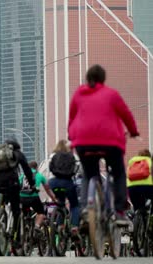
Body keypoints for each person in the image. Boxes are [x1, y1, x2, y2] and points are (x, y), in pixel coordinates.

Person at [68, 64, 140, 225]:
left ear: (88, 78)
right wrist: (134, 131)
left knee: (89, 174)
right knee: (119, 172)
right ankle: (120, 211)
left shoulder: (78, 94)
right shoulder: (111, 94)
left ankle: (87, 206)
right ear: (103, 79)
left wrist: (71, 136)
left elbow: (72, 118)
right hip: (110, 143)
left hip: (83, 143)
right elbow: (126, 115)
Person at [0, 140, 36, 237]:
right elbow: (27, 170)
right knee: (16, 210)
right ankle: (16, 236)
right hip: (11, 183)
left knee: (3, 198)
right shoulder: (18, 154)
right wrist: (32, 184)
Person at [47, 141, 80, 235]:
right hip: (67, 183)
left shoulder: (53, 155)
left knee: (60, 203)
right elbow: (76, 168)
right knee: (74, 206)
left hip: (53, 183)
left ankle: (59, 226)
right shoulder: (72, 156)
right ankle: (74, 226)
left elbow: (50, 167)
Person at [20, 161, 57, 233]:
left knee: (24, 212)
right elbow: (48, 189)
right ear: (36, 168)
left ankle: (25, 226)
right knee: (40, 213)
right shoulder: (39, 175)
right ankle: (37, 226)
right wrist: (54, 199)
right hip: (33, 198)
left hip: (22, 198)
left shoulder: (22, 175)